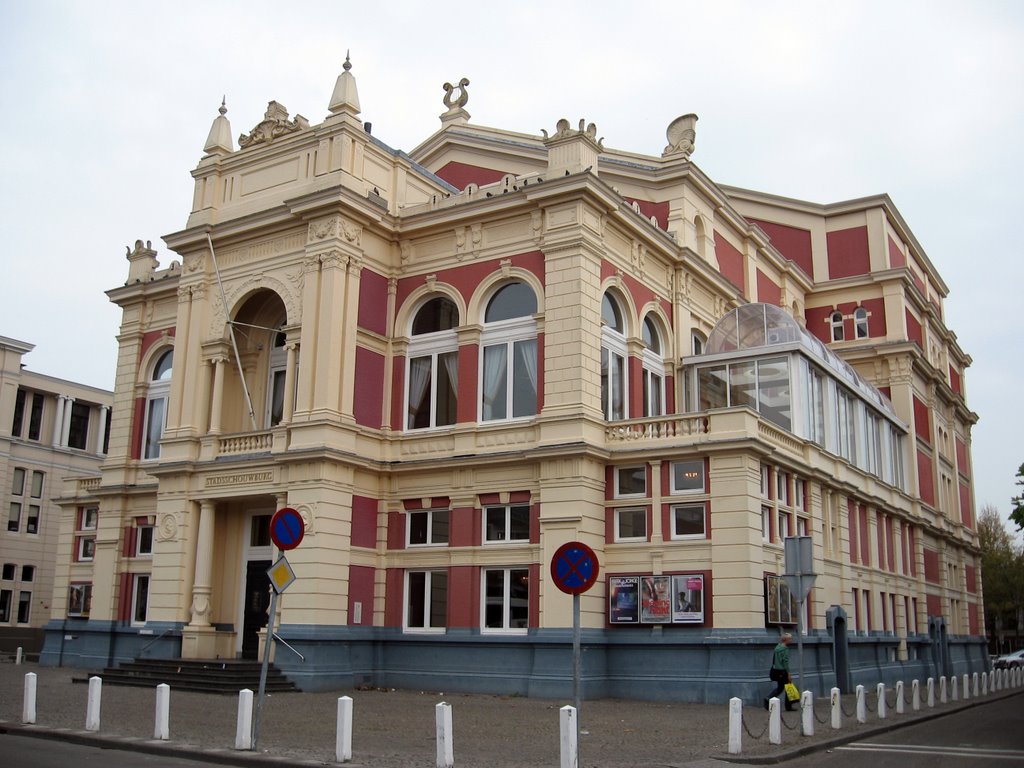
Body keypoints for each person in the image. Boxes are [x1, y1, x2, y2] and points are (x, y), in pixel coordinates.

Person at [764, 632, 794, 711]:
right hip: (782, 671)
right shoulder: (785, 650)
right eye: (790, 639)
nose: (791, 640)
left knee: (780, 688)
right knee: (788, 687)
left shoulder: (777, 648)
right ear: (786, 640)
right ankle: (788, 706)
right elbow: (785, 662)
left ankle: (768, 698)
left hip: (776, 670)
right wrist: (789, 674)